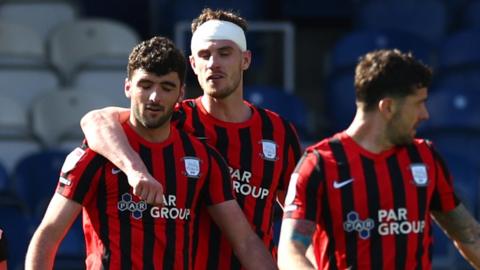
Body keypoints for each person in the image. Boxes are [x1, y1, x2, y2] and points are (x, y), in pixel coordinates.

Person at [25, 36, 276, 270]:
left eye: (167, 87)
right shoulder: (95, 155)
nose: (154, 97)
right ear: (127, 88)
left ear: (180, 94)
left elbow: (245, 242)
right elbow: (47, 236)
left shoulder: (203, 159)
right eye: (145, 85)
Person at [80, 8, 301, 269]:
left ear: (246, 59)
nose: (213, 63)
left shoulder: (278, 132)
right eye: (204, 55)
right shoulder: (174, 118)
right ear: (193, 64)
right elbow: (95, 120)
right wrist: (135, 169)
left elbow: (299, 214)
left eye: (225, 53)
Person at [278, 49, 480, 269]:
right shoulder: (318, 164)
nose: (425, 115)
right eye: (418, 103)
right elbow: (291, 251)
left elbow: (469, 235)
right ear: (388, 107)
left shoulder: (424, 157)